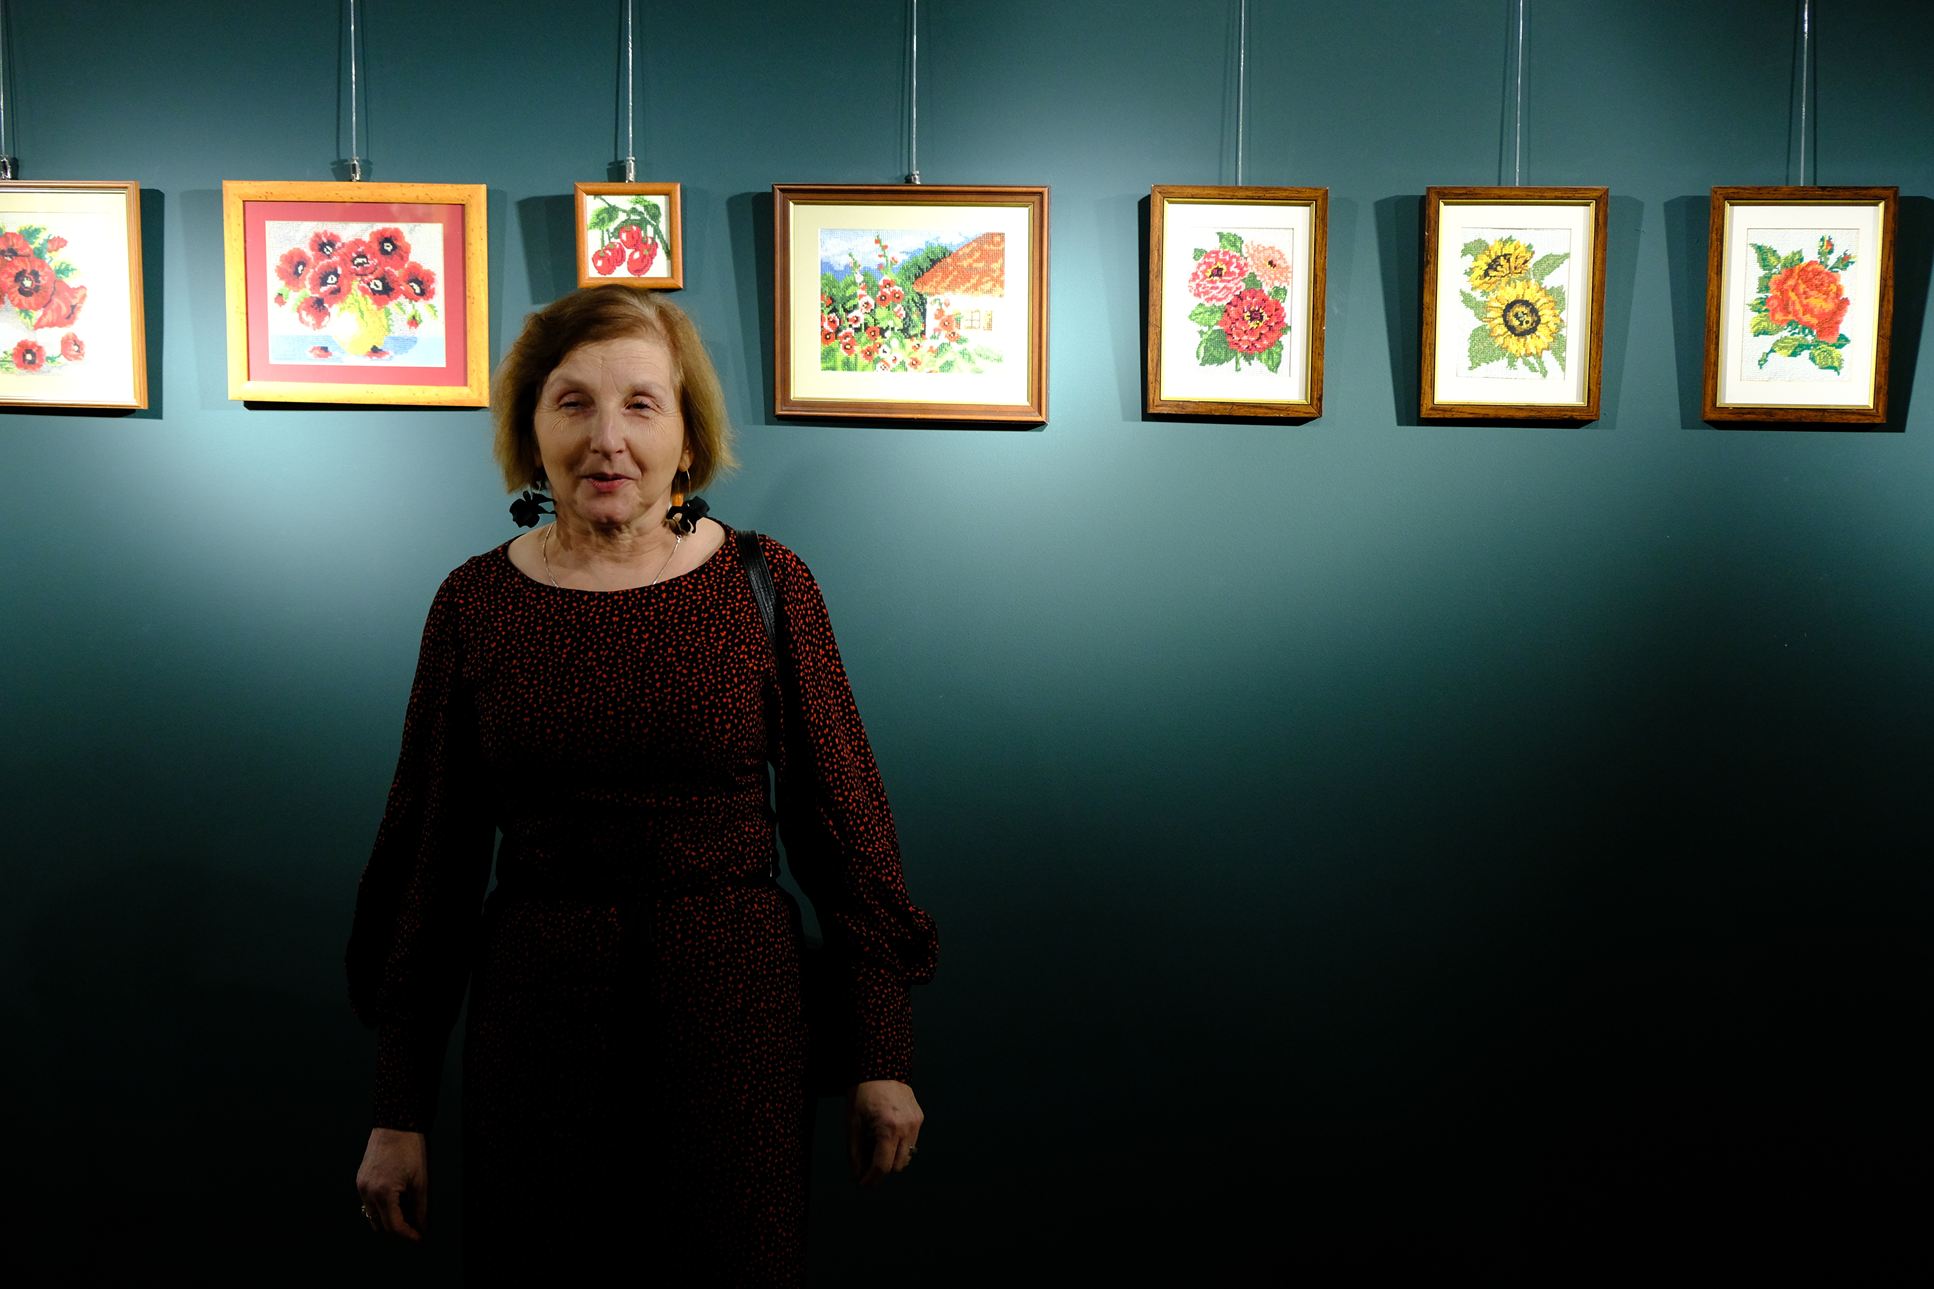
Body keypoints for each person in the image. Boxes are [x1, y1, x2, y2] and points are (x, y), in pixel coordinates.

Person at [345, 285, 938, 1285]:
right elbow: (429, 861)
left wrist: (882, 1052)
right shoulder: (475, 603)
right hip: (536, 1029)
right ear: (531, 428)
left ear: (686, 434)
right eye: (573, 402)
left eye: (640, 403)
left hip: (735, 1027)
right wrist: (397, 1107)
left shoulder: (763, 583)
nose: (606, 438)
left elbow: (845, 825)